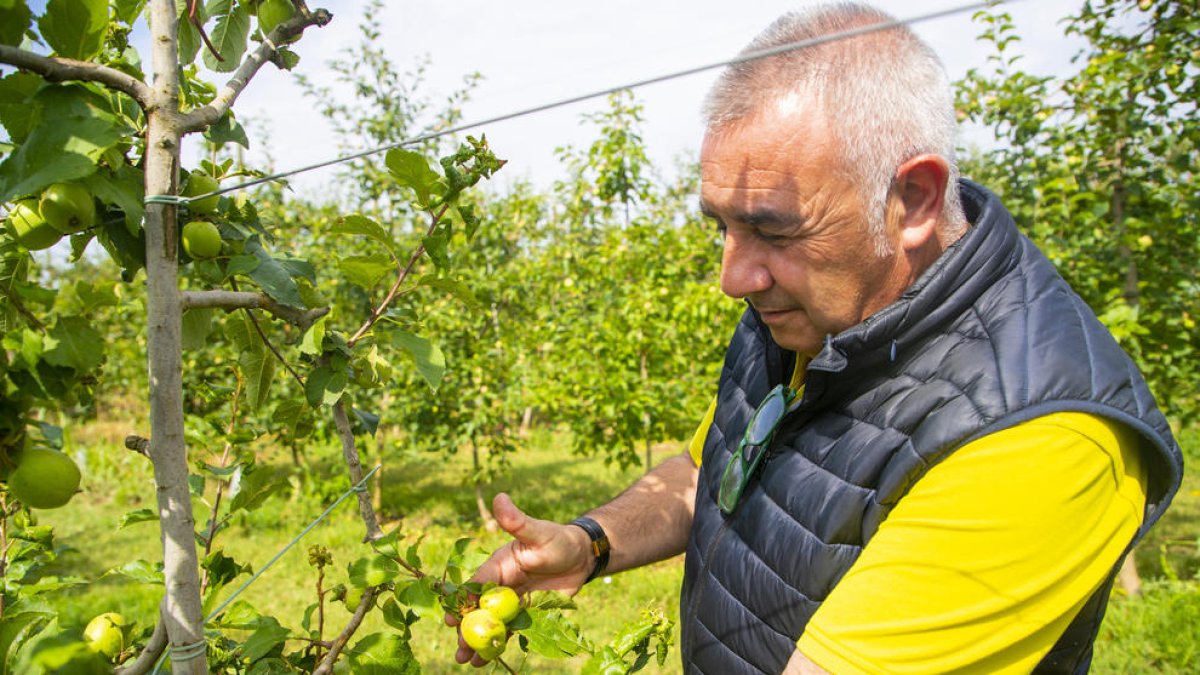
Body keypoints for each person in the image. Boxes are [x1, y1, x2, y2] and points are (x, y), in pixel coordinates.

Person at [449, 3, 1184, 673]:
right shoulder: (818, 310)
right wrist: (592, 541)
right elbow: (713, 466)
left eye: (770, 228)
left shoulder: (1040, 437)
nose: (733, 276)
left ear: (915, 198)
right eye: (722, 225)